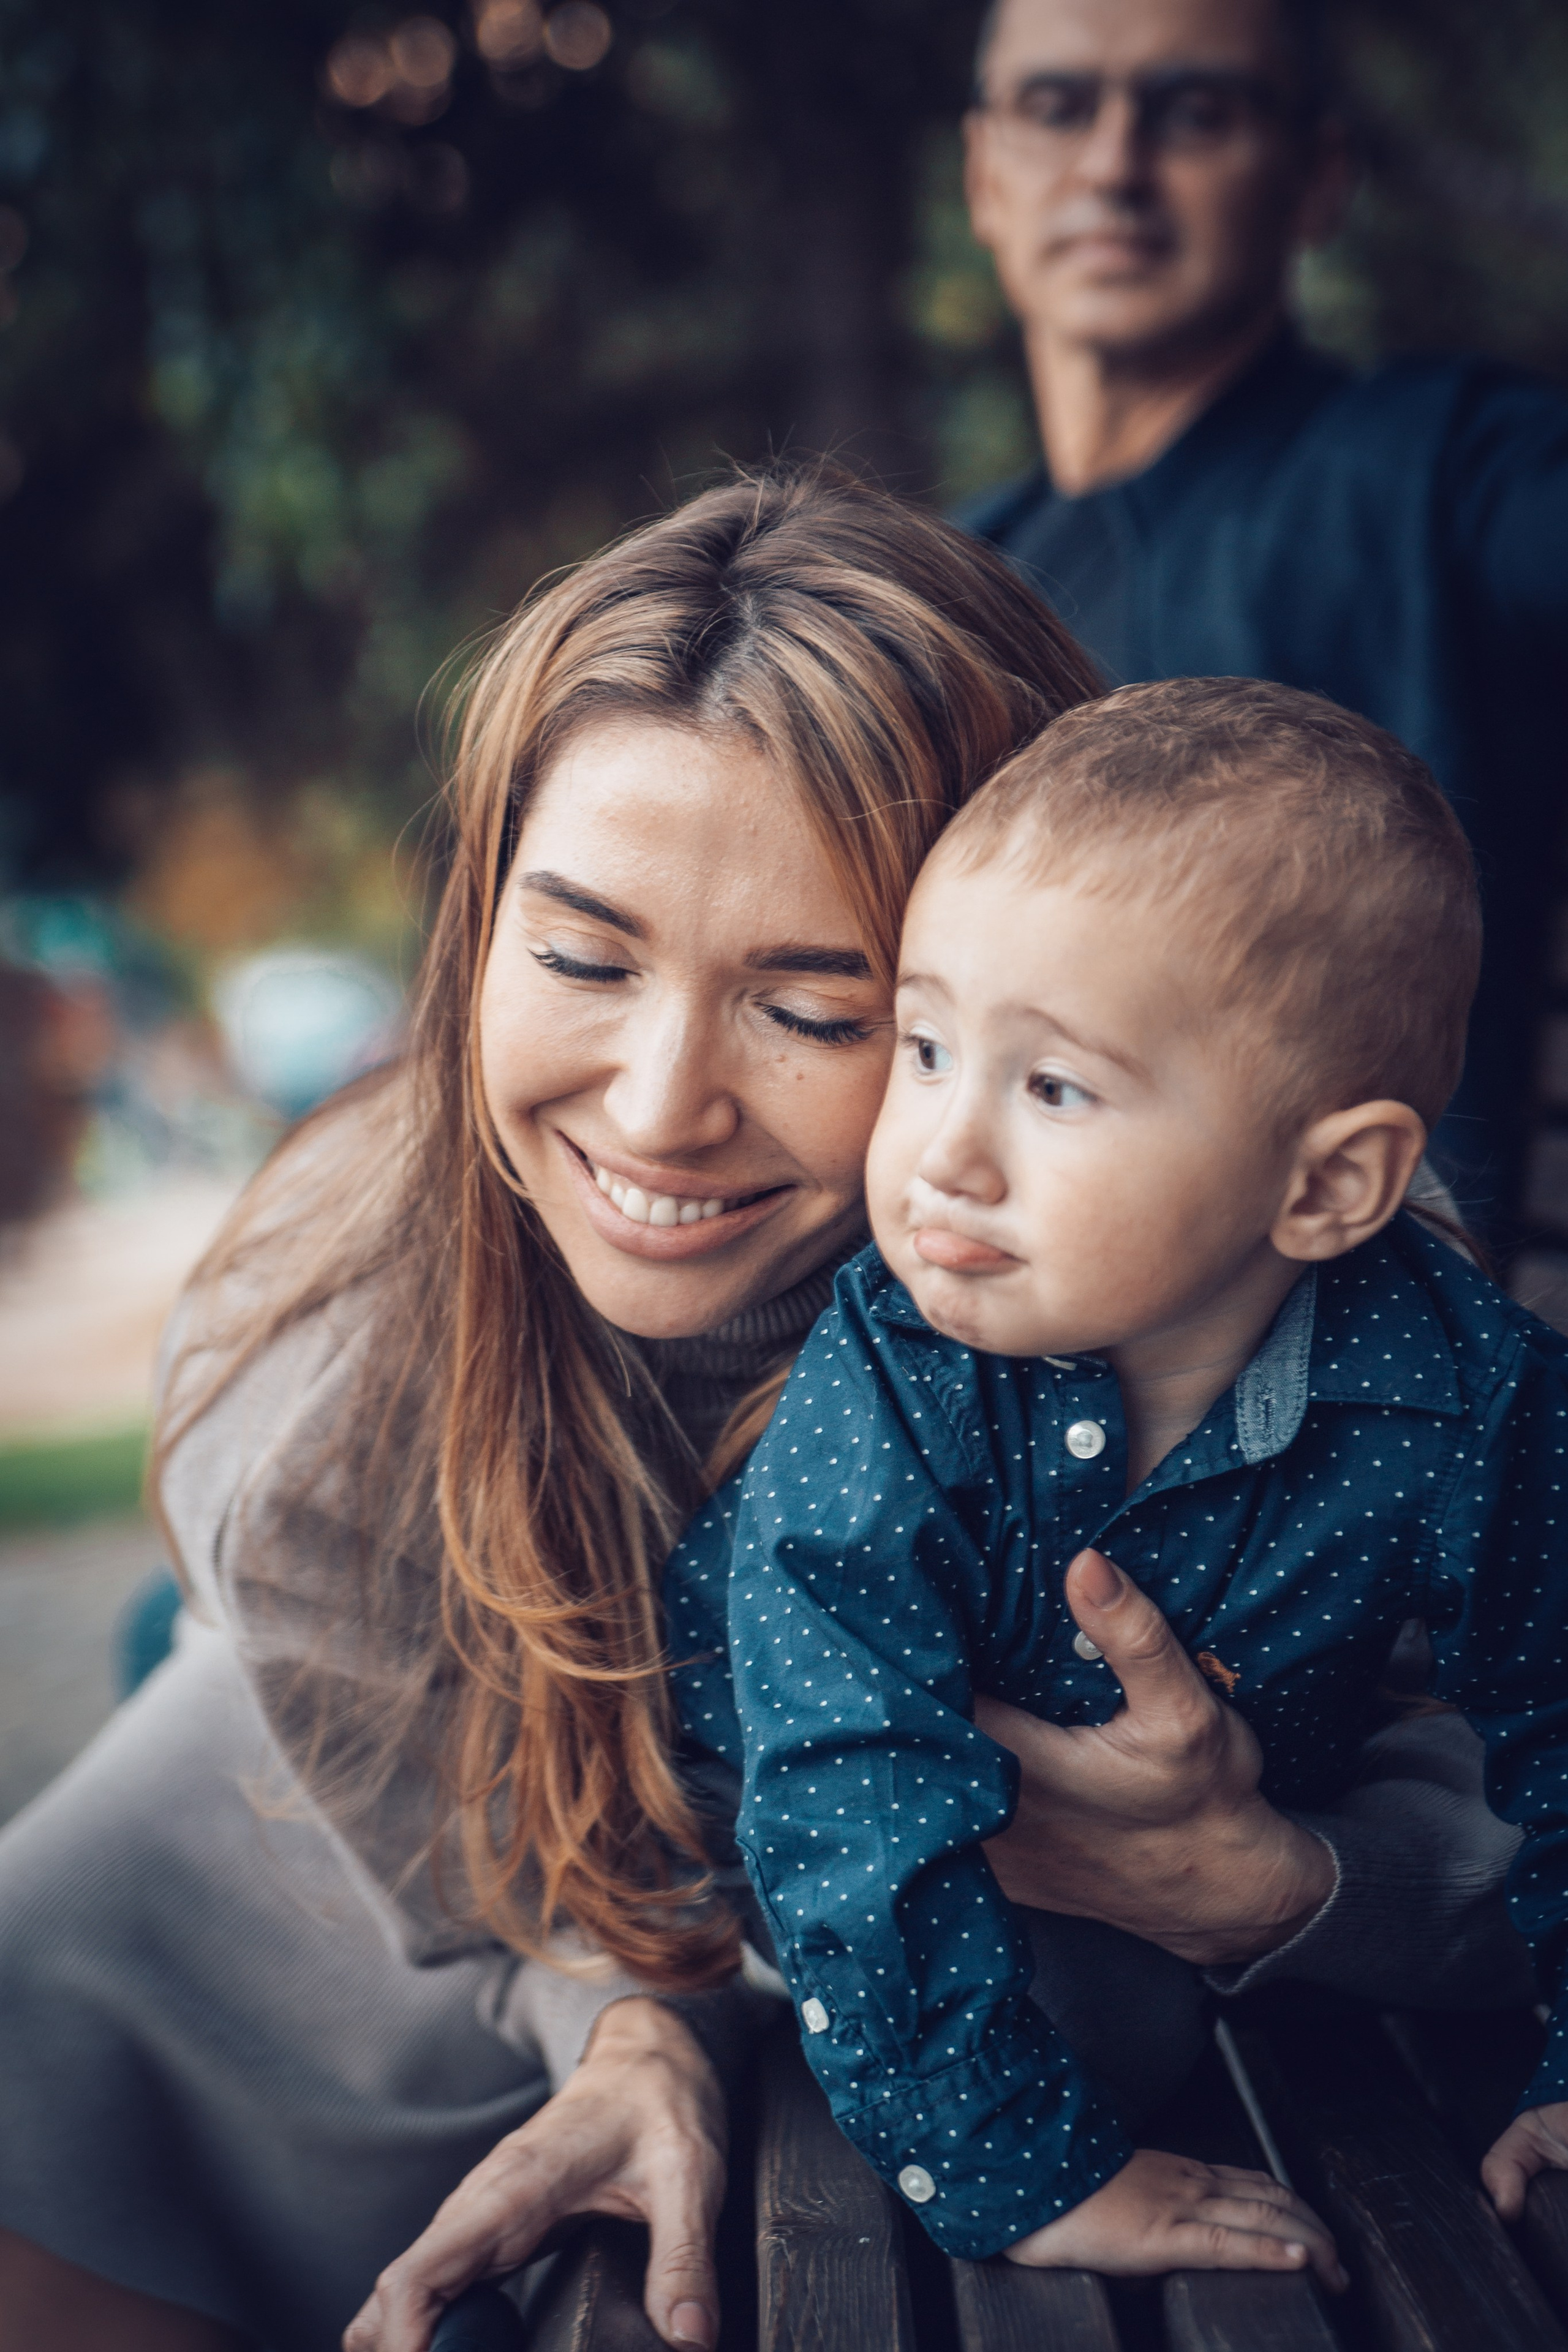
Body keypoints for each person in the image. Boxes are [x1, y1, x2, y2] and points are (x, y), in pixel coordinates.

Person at [0, 472, 1525, 2352]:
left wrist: (1278, 1885)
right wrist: (629, 2019)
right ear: (479, 931)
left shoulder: (1251, 1267)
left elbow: (1488, 1707)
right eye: (579, 956)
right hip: (353, 1904)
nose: (656, 1110)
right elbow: (487, 1868)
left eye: (819, 1012)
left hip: (891, 2023)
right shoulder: (321, 1366)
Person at [668, 677, 1568, 2271]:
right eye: (927, 1046)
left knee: (1155, 2020)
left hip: (1139, 1860)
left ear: (1328, 1183)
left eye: (1055, 1086)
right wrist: (1022, 2173)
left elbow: (1560, 1726)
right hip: (764, 1826)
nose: (944, 1147)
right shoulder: (901, 1357)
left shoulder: (1463, 1395)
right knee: (1095, 2038)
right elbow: (842, 1777)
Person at [959, 0, 1568, 1254]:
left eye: (1194, 113)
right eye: (1057, 106)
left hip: (1402, 1400)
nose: (1113, 167)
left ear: (1315, 179)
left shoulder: (1457, 468)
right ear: (983, 174)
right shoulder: (944, 588)